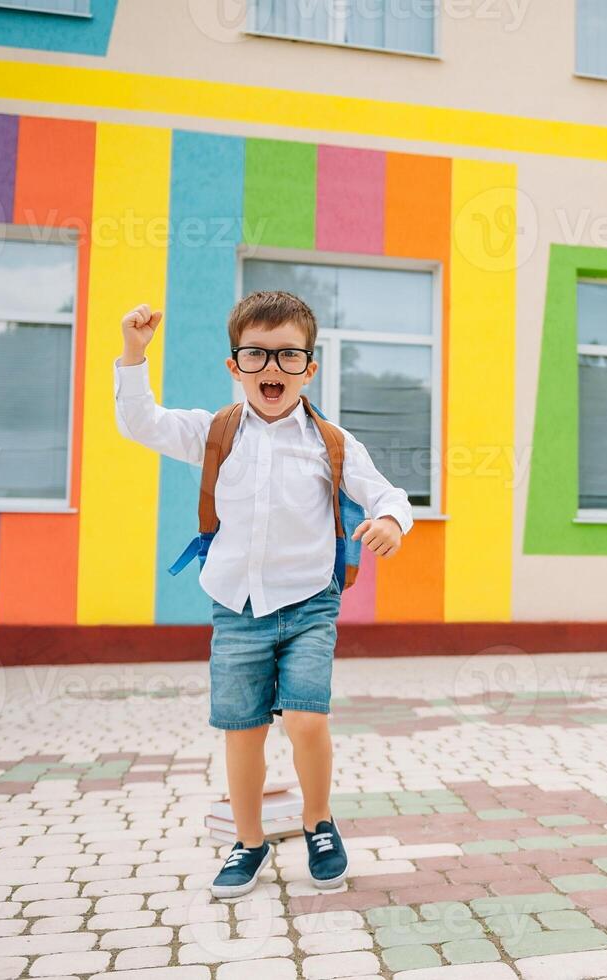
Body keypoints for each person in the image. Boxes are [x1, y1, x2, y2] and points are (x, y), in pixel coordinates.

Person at [114, 290, 413, 898]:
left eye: (287, 356)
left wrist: (389, 522)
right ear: (234, 366)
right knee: (243, 728)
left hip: (308, 604)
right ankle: (248, 843)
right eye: (256, 355)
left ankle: (318, 822)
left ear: (310, 367)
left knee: (306, 718)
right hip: (236, 607)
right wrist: (134, 352)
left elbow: (387, 495)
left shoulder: (331, 443)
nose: (271, 368)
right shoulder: (214, 432)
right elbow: (139, 423)